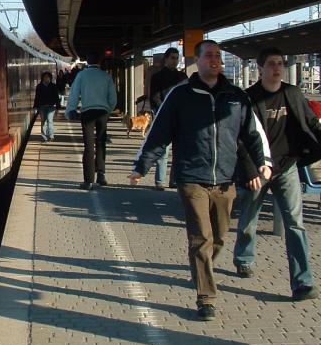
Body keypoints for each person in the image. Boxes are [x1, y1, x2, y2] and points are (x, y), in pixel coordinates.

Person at [129, 39, 272, 321]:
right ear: (197, 61)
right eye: (209, 56)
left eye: (218, 55)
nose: (215, 60)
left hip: (225, 179)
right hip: (191, 177)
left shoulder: (236, 96)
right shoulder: (180, 94)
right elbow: (159, 132)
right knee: (201, 237)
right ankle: (206, 297)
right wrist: (141, 166)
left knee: (219, 236)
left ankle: (202, 268)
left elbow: (253, 133)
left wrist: (263, 163)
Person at [233, 47, 321, 301]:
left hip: (287, 166)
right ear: (260, 68)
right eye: (271, 64)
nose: (277, 68)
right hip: (259, 168)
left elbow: (310, 122)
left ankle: (303, 282)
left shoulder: (292, 93)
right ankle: (244, 257)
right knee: (249, 215)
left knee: (295, 223)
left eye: (280, 63)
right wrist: (250, 168)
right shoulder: (248, 98)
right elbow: (240, 137)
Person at [65, 50, 117, 189]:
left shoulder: (82, 75)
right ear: (99, 61)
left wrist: (70, 110)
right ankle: (101, 175)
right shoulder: (106, 76)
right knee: (101, 143)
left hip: (88, 112)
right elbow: (113, 98)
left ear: (87, 61)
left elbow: (74, 94)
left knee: (89, 147)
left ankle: (88, 181)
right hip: (102, 112)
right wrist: (108, 110)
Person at [148, 47, 188, 190]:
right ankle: (160, 181)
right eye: (172, 57)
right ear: (165, 59)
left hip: (179, 117)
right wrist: (163, 112)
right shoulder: (158, 77)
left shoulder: (183, 77)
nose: (175, 61)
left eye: (176, 58)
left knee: (178, 150)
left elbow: (187, 97)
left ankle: (174, 180)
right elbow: (154, 96)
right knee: (163, 150)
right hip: (163, 116)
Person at [33, 71, 60, 142]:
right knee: (43, 121)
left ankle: (51, 136)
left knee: (49, 120)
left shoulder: (53, 86)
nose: (46, 79)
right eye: (45, 77)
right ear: (42, 78)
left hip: (51, 106)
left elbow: (56, 97)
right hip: (42, 106)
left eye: (48, 77)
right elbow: (37, 97)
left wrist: (58, 107)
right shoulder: (39, 86)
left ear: (50, 78)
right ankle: (44, 137)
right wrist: (35, 106)